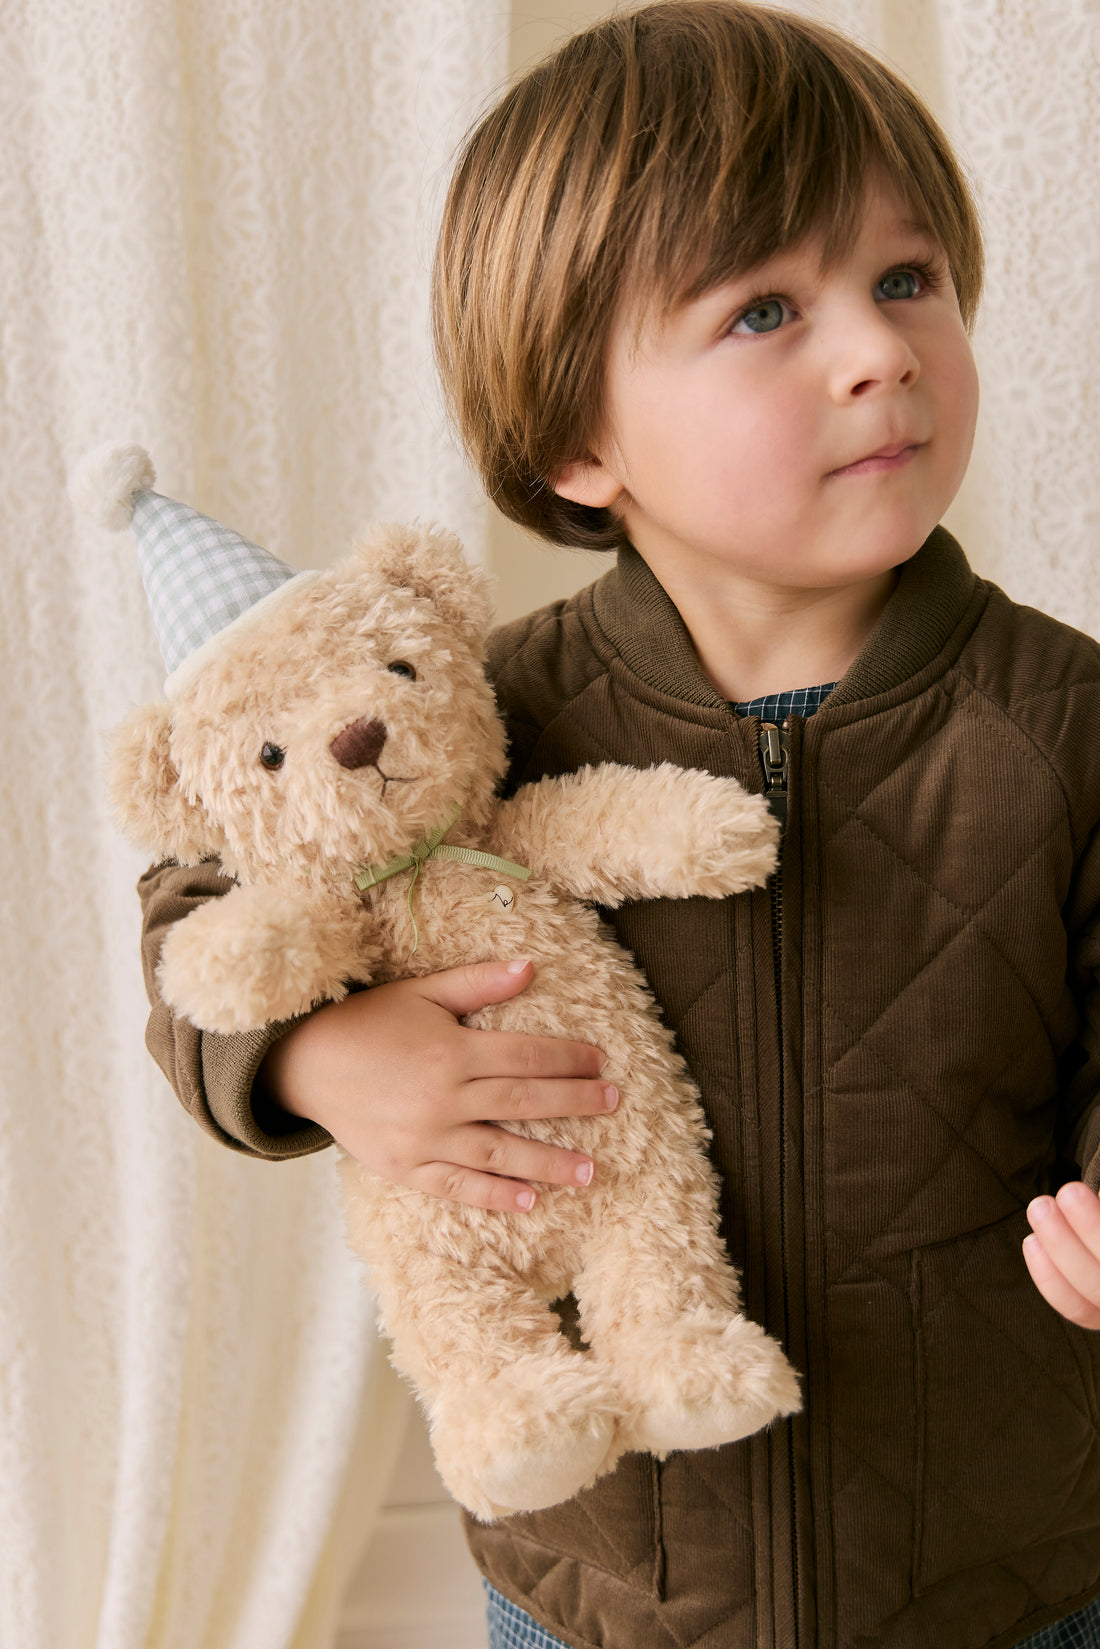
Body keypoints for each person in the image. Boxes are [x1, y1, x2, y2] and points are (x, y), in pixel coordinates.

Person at [137, 3, 1100, 1645]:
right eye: (765, 311)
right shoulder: (469, 717)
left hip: (1002, 1580)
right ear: (580, 440)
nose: (878, 351)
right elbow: (198, 904)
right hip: (603, 1590)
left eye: (907, 279)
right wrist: (313, 1056)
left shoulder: (1062, 720)